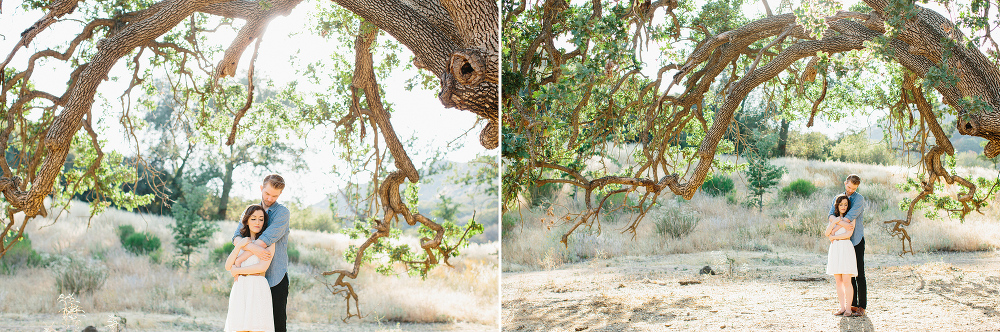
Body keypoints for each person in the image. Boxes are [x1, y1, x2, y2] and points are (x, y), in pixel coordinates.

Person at [232, 174, 290, 332]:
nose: (270, 198)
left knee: (276, 326)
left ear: (280, 195)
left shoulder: (282, 213)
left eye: (275, 196)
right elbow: (236, 237)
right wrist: (253, 249)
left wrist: (239, 260)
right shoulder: (250, 210)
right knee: (248, 325)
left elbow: (265, 240)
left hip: (275, 278)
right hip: (249, 279)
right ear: (261, 188)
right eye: (267, 193)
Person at [224, 204, 276, 332]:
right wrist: (238, 246)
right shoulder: (241, 241)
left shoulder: (269, 242)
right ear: (246, 220)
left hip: (258, 286)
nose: (257, 222)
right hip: (240, 288)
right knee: (239, 328)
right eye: (253, 218)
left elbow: (262, 266)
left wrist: (237, 270)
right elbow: (227, 266)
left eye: (261, 219)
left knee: (257, 328)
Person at [829, 174, 866, 317]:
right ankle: (851, 305)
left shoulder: (859, 199)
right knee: (846, 275)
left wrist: (834, 227)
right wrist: (837, 222)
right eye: (849, 187)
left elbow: (850, 218)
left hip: (855, 240)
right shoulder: (838, 198)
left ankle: (861, 306)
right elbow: (831, 215)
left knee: (859, 274)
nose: (850, 190)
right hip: (842, 244)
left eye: (854, 188)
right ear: (845, 183)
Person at [825, 194, 857, 317]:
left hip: (845, 247)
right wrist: (835, 223)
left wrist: (833, 236)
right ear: (837, 206)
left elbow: (848, 233)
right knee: (838, 281)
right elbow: (827, 232)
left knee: (847, 281)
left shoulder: (851, 218)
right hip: (835, 249)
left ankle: (849, 309)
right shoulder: (834, 218)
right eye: (841, 204)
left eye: (845, 204)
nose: (843, 207)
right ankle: (842, 307)